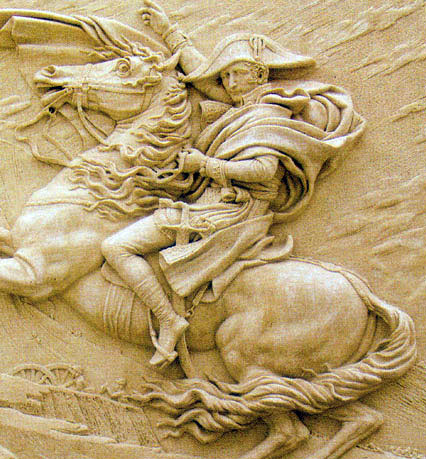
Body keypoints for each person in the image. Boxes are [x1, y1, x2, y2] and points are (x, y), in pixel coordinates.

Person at [101, 0, 365, 368]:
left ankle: (169, 321)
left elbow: (263, 171)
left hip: (231, 213)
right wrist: (167, 31)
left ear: (259, 74)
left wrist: (205, 165)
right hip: (214, 204)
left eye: (236, 74)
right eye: (225, 77)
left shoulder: (267, 114)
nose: (228, 83)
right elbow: (201, 73)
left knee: (116, 247)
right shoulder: (241, 108)